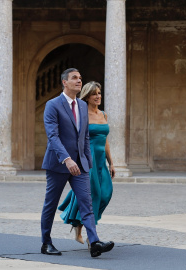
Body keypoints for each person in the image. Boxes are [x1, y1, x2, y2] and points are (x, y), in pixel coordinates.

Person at [40, 68, 114, 258]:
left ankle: (94, 242)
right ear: (64, 82)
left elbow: (85, 137)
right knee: (51, 203)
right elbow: (53, 136)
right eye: (74, 78)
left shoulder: (82, 106)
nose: (79, 81)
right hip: (58, 164)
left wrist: (86, 162)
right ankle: (46, 243)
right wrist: (67, 159)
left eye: (80, 78)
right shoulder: (52, 105)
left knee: (87, 203)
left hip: (80, 165)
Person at [58, 81, 115, 246]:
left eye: (99, 93)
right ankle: (92, 237)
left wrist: (111, 163)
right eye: (94, 94)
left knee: (106, 194)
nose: (98, 96)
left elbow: (105, 142)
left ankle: (78, 223)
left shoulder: (103, 114)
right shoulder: (81, 114)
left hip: (101, 162)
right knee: (93, 195)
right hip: (87, 161)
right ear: (87, 97)